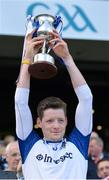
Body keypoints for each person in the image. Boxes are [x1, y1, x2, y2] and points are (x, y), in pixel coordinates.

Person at [14, 29, 93, 179]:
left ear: (67, 122)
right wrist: (27, 58)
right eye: (49, 121)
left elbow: (86, 99)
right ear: (39, 122)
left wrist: (67, 58)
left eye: (60, 120)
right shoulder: (29, 144)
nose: (56, 125)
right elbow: (20, 102)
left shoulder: (78, 143)